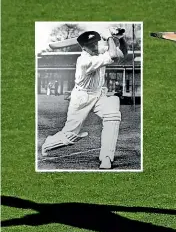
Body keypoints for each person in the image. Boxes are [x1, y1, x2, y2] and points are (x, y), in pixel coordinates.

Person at [41, 28, 128, 169]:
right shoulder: (84, 61)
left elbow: (122, 53)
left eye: (96, 43)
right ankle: (48, 144)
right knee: (70, 135)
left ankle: (106, 157)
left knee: (112, 115)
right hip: (81, 99)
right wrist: (109, 37)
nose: (94, 47)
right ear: (83, 47)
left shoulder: (99, 50)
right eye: (91, 45)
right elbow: (112, 55)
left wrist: (121, 38)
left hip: (98, 94)